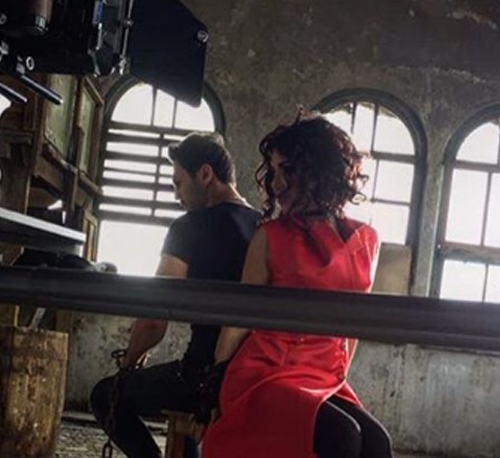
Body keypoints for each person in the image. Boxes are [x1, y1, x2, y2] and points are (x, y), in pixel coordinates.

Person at [200, 114, 393, 458]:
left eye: (286, 169)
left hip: (322, 374)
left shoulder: (366, 240)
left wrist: (337, 375)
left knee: (378, 443)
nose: (276, 183)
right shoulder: (270, 236)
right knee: (344, 436)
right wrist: (215, 381)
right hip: (267, 373)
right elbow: (239, 319)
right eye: (273, 171)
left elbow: (353, 327)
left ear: (318, 170)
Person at [90, 132, 260, 458]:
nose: (176, 195)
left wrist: (130, 360)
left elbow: (155, 318)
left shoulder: (188, 227)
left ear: (205, 174)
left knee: (105, 395)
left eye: (178, 183)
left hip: (202, 375)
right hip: (253, 372)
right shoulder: (264, 228)